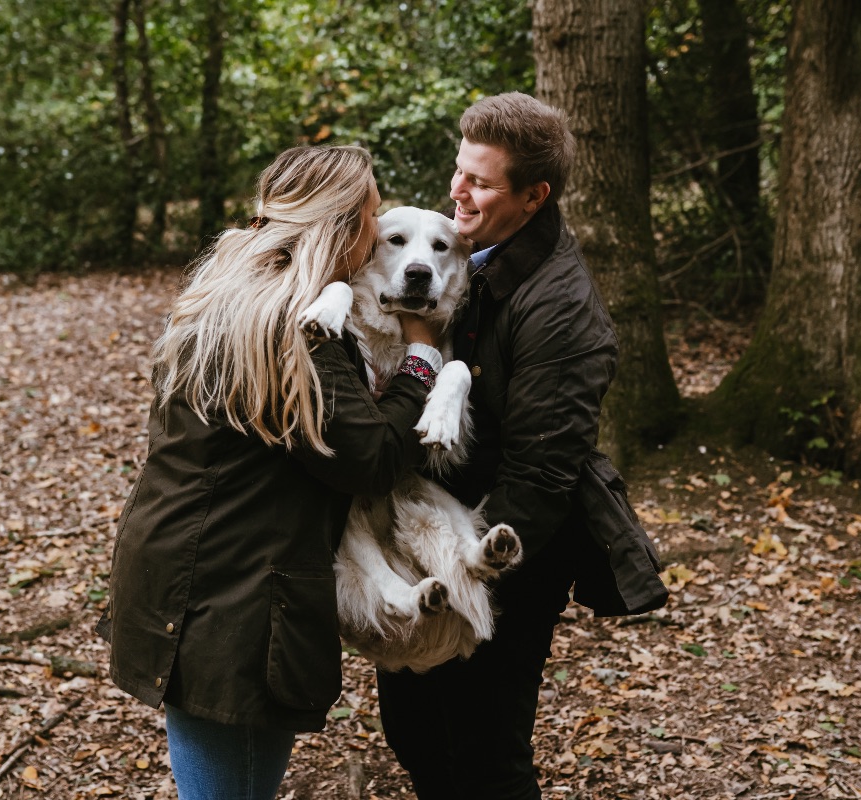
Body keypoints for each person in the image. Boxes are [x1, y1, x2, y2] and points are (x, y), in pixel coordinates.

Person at [97, 144, 446, 800]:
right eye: (371, 215)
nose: (376, 230)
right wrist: (422, 356)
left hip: (185, 573)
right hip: (234, 609)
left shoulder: (229, 290)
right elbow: (370, 459)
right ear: (341, 230)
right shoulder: (292, 329)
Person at [375, 92, 669, 799]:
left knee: (485, 756)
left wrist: (464, 572)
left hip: (507, 550)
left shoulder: (561, 307)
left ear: (533, 197)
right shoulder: (464, 253)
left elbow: (539, 476)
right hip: (433, 529)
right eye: (458, 171)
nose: (457, 192)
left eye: (478, 181)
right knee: (413, 732)